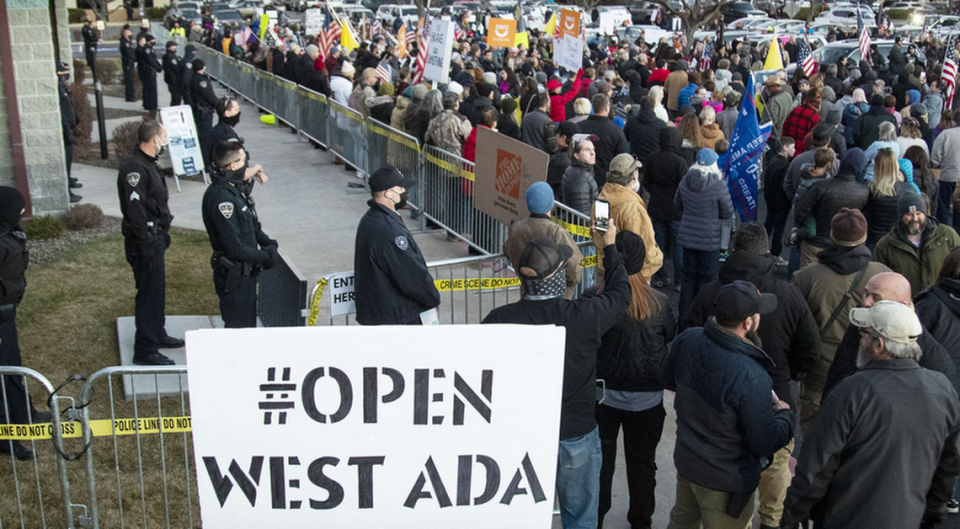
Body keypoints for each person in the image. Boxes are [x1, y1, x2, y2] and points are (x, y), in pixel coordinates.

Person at [482, 224, 631, 529]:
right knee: (579, 518)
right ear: (556, 276)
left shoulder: (498, 322)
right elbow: (620, 293)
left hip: (519, 437)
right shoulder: (583, 317)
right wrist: (609, 247)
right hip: (574, 436)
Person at [678, 224, 819, 529]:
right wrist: (788, 375)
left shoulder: (710, 293)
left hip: (715, 417)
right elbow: (810, 347)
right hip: (774, 399)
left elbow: (685, 337)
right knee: (774, 479)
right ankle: (770, 522)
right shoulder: (786, 293)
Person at [780, 301, 960, 529]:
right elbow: (947, 463)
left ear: (878, 345)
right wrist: (932, 513)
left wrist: (791, 517)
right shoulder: (942, 389)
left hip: (846, 519)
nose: (859, 339)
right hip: (908, 519)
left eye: (864, 333)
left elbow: (816, 468)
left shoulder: (851, 392)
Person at [661, 280, 794, 529]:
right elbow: (764, 441)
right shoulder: (752, 376)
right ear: (748, 323)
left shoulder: (688, 339)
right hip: (725, 482)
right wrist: (785, 417)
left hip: (688, 462)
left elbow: (668, 380)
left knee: (681, 521)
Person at [593, 230, 675, 529]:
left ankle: (596, 518)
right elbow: (670, 335)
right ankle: (641, 520)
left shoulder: (596, 298)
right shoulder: (660, 302)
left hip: (602, 398)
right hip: (647, 399)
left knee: (600, 466)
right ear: (642, 263)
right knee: (643, 466)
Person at [790, 208, 891, 434]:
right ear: (864, 237)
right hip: (866, 372)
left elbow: (791, 326)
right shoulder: (882, 275)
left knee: (815, 444)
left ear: (832, 235)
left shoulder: (806, 278)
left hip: (819, 375)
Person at [823, 271, 959, 400]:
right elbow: (838, 371)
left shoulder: (930, 354)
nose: (866, 303)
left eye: (876, 298)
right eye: (866, 294)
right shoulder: (861, 322)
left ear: (902, 305)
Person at [116, 121, 181, 366]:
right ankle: (145, 348)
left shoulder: (147, 164)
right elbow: (135, 211)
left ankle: (157, 333)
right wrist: (146, 244)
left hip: (154, 238)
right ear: (154, 140)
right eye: (163, 137)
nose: (165, 141)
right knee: (148, 295)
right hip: (144, 241)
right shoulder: (135, 169)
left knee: (157, 292)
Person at [201, 141, 278, 328]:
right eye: (244, 160)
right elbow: (234, 247)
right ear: (233, 165)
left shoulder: (232, 190)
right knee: (238, 332)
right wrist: (266, 256)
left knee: (247, 329)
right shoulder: (221, 198)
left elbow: (251, 227)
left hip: (246, 277)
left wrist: (268, 242)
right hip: (234, 278)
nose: (247, 165)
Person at [0, 187, 50, 461]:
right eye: (19, 207)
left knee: (14, 368)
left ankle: (24, 414)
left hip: (7, 316)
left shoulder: (9, 234)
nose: (23, 212)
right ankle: (7, 437)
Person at [354, 166, 439, 325]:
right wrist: (432, 298)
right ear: (388, 193)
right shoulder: (390, 231)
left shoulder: (370, 219)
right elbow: (410, 276)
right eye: (400, 188)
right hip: (397, 318)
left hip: (381, 315)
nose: (404, 191)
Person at [675, 148, 734, 319]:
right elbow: (727, 211)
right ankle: (702, 317)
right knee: (707, 280)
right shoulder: (718, 184)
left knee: (688, 278)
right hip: (709, 240)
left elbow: (677, 204)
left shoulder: (685, 180)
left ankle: (684, 316)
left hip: (687, 237)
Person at [503, 182, 583, 300]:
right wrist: (569, 284)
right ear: (551, 203)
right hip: (557, 298)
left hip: (527, 294)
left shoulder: (516, 228)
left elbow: (508, 250)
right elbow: (574, 268)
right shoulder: (556, 232)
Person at [872, 193, 960, 298]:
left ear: (925, 213)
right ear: (901, 215)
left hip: (942, 302)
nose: (915, 218)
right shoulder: (886, 245)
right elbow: (879, 279)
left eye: (918, 213)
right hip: (905, 305)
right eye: (909, 214)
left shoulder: (947, 235)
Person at [794, 148, 869, 267]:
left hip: (814, 243)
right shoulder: (864, 193)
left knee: (805, 281)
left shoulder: (821, 186)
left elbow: (799, 211)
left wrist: (809, 226)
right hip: (842, 248)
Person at [593, 153, 663, 279]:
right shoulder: (632, 208)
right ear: (633, 176)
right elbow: (643, 245)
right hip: (633, 277)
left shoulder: (601, 199)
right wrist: (657, 259)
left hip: (605, 271)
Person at [645, 127, 690, 290]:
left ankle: (659, 276)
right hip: (675, 209)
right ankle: (679, 280)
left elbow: (646, 182)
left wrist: (656, 192)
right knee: (678, 246)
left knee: (658, 244)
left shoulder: (652, 158)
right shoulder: (680, 162)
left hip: (656, 206)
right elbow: (684, 186)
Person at [864, 148, 917, 247]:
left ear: (876, 166)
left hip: (874, 241)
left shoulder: (869, 189)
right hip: (899, 241)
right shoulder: (908, 189)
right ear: (896, 165)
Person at [577, 94, 629, 188]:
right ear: (607, 109)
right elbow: (623, 157)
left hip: (581, 176)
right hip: (605, 180)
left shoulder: (579, 127)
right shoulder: (616, 131)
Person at [763, 138, 795, 263]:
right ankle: (775, 254)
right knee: (779, 229)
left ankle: (762, 248)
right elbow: (785, 185)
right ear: (785, 147)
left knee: (769, 224)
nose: (794, 150)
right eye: (792, 147)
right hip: (781, 201)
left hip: (770, 199)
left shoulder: (773, 161)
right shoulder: (786, 166)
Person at [56, 61, 82, 203]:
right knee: (65, 161)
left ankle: (69, 179)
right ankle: (68, 191)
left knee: (69, 157)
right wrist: (67, 131)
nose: (65, 75)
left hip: (69, 127)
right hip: (65, 130)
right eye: (62, 73)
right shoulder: (58, 90)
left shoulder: (63, 88)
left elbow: (69, 106)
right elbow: (62, 113)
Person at [932, 110, 960, 232]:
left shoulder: (945, 134)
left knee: (943, 207)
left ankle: (942, 234)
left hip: (947, 176)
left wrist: (939, 164)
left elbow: (935, 158)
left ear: (954, 120)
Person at [424, 91, 472, 157]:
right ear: (456, 104)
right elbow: (470, 140)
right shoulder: (462, 121)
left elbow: (427, 138)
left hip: (439, 160)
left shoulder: (434, 119)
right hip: (457, 160)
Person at [562, 136, 599, 215]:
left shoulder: (581, 172)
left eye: (593, 149)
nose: (592, 153)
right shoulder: (579, 179)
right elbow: (582, 212)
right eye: (587, 150)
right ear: (576, 155)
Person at [190, 59, 219, 141]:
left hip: (199, 109)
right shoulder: (201, 81)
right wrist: (219, 103)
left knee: (202, 131)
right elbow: (209, 96)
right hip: (204, 110)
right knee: (205, 133)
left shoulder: (194, 77)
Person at [138, 35, 163, 120]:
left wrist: (159, 66)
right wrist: (157, 67)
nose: (154, 41)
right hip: (148, 72)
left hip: (151, 71)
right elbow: (150, 60)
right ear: (149, 41)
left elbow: (154, 59)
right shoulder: (147, 49)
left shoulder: (150, 49)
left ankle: (150, 104)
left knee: (150, 88)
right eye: (153, 40)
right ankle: (151, 105)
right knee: (151, 89)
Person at [120, 25, 137, 102]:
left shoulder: (128, 42)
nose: (131, 36)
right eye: (130, 34)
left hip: (130, 63)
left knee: (131, 80)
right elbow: (129, 54)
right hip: (128, 64)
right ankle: (129, 96)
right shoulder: (125, 43)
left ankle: (131, 95)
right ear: (126, 35)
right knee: (129, 80)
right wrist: (134, 58)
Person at [161, 41, 181, 106]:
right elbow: (176, 67)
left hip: (170, 78)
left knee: (175, 96)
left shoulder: (166, 56)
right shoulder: (171, 56)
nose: (175, 47)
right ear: (169, 47)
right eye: (173, 46)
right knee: (176, 98)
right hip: (173, 79)